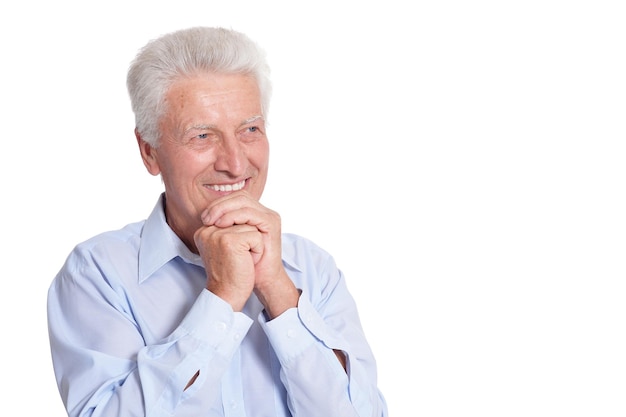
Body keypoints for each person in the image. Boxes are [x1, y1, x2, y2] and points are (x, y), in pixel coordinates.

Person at [47, 26, 388, 417]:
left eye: (250, 130)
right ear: (150, 152)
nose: (236, 164)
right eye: (203, 135)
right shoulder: (97, 274)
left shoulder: (311, 268)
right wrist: (221, 298)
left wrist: (277, 288)